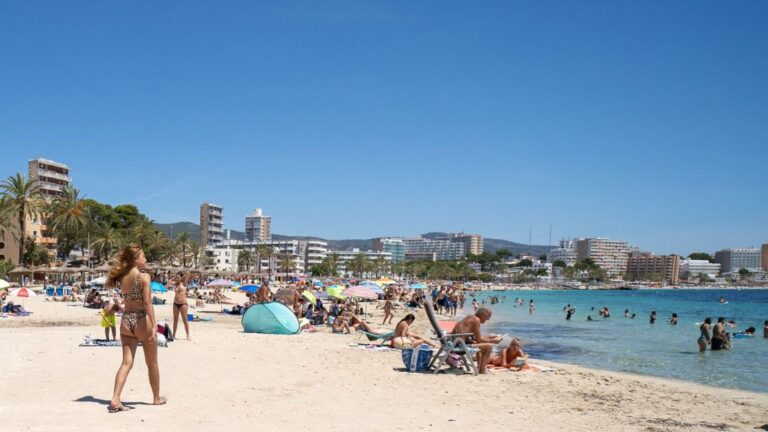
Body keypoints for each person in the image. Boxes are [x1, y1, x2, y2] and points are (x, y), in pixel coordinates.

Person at [108, 245, 166, 413]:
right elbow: (147, 303)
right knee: (152, 363)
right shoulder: (144, 277)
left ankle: (115, 399)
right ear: (135, 259)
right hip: (141, 319)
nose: (145, 259)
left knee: (126, 363)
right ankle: (156, 398)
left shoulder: (122, 277)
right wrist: (154, 325)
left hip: (126, 320)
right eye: (143, 256)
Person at [451, 307, 503, 374]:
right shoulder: (476, 320)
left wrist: (490, 337)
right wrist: (494, 341)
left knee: (478, 343)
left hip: (455, 343)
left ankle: (480, 368)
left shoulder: (471, 317)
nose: (488, 319)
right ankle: (482, 370)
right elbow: (480, 340)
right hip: (459, 346)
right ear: (483, 314)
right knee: (489, 347)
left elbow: (476, 338)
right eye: (488, 316)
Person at [170, 272, 190, 340]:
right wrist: (174, 278)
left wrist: (182, 277)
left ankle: (188, 335)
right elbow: (168, 282)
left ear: (181, 278)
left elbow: (188, 274)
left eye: (178, 277)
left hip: (183, 304)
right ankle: (173, 335)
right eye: (176, 277)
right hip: (175, 304)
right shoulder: (175, 284)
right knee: (175, 320)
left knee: (185, 320)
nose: (177, 279)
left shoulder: (184, 283)